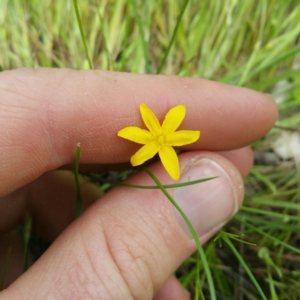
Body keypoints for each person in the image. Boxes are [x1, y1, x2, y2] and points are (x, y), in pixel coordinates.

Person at [0, 68, 277, 300]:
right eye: (158, 133)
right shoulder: (145, 135)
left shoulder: (172, 138)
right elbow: (138, 129)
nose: (161, 137)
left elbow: (182, 133)